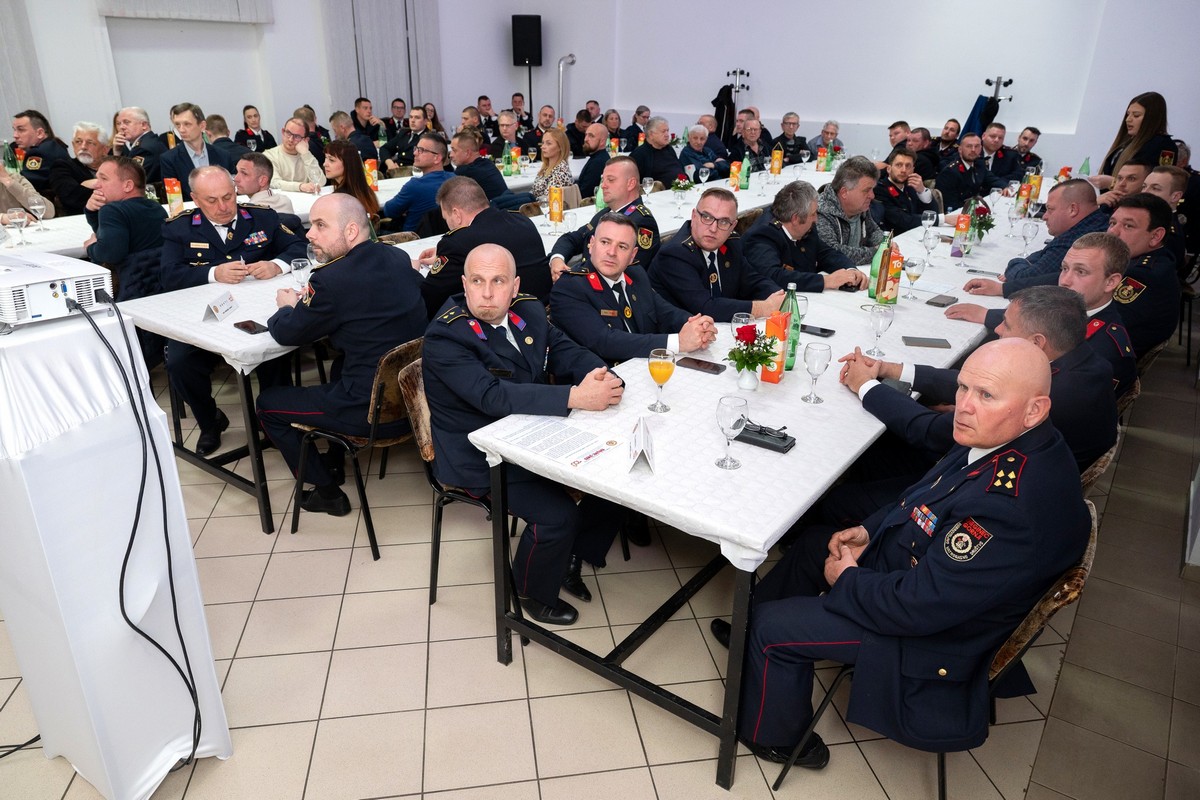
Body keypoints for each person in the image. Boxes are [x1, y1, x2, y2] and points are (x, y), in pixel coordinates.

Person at [717, 337, 1090, 766]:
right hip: (930, 583)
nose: (964, 405)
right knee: (815, 543)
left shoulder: (1007, 507)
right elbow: (921, 496)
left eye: (986, 395)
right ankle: (746, 636)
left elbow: (917, 608)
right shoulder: (1009, 437)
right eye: (963, 387)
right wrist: (868, 530)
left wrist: (849, 579)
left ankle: (777, 739)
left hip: (935, 635)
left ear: (1034, 410)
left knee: (773, 628)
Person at [422, 242, 625, 626]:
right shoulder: (446, 336)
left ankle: (570, 556)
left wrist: (602, 376)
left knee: (615, 478)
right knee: (557, 516)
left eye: (498, 281)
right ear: (464, 285)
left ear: (515, 287)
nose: (486, 293)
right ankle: (532, 593)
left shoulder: (528, 310)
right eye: (477, 281)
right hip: (478, 455)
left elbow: (563, 349)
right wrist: (576, 397)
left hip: (531, 433)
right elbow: (492, 396)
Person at [256, 194, 427, 516]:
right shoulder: (396, 257)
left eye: (320, 225)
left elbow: (287, 333)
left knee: (267, 404)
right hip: (415, 402)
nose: (309, 234)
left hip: (369, 414)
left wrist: (286, 307)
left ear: (350, 231)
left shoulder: (330, 280)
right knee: (340, 364)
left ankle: (326, 490)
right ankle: (335, 460)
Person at [843, 286, 1117, 482]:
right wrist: (890, 369)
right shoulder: (1080, 359)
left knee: (859, 465)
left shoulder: (1054, 396)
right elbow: (969, 382)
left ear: (1036, 342)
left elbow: (929, 431)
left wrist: (865, 386)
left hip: (972, 480)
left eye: (1007, 325)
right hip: (1013, 468)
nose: (997, 329)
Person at [160, 166, 307, 455]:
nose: (223, 206)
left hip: (259, 309)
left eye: (228, 197)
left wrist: (276, 265)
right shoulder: (179, 228)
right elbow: (168, 275)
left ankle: (274, 419)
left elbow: (300, 247)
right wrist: (213, 273)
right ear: (195, 199)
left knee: (276, 347)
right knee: (179, 362)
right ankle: (209, 420)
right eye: (212, 200)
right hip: (204, 315)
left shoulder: (262, 217)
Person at [948, 233, 1138, 399]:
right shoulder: (1069, 310)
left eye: (1081, 272)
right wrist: (986, 314)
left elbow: (1047, 404)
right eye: (1064, 268)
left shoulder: (1105, 348)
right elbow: (1035, 319)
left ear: (1110, 282)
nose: (1065, 281)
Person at [551, 213, 716, 364]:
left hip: (643, 366)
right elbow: (605, 342)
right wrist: (678, 342)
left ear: (632, 255)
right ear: (591, 244)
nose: (611, 252)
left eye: (622, 246)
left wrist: (696, 325)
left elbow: (665, 312)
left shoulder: (635, 274)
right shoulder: (569, 288)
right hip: (603, 378)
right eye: (605, 242)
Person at [415, 176, 551, 316]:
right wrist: (444, 256)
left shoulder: (457, 243)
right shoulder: (522, 221)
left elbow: (429, 298)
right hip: (542, 313)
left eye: (446, 218)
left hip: (498, 320)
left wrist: (413, 271)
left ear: (456, 214)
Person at [954, 180, 1109, 299]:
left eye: (1050, 209)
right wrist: (1028, 262)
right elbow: (1043, 253)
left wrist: (1016, 262)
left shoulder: (1079, 239)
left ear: (1073, 209)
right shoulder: (1093, 222)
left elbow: (1025, 277)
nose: (1045, 216)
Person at [650, 187, 784, 322]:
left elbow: (753, 281)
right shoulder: (674, 254)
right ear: (694, 216)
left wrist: (780, 297)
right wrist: (764, 308)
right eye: (707, 217)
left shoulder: (731, 243)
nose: (713, 229)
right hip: (681, 331)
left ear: (733, 226)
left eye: (724, 222)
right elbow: (706, 308)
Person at [742, 181, 867, 292]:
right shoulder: (762, 236)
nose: (816, 219)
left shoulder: (805, 228)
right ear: (795, 218)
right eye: (813, 214)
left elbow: (825, 253)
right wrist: (826, 281)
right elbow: (774, 276)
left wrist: (850, 270)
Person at [549, 156, 659, 279]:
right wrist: (557, 259)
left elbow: (622, 275)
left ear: (630, 184)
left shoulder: (642, 222)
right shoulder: (607, 213)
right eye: (603, 180)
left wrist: (572, 279)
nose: (603, 186)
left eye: (610, 180)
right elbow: (574, 238)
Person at [1104, 193, 1181, 356]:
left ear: (1155, 236)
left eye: (1128, 226)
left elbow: (1102, 321)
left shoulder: (1142, 275)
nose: (1113, 232)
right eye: (1112, 223)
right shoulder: (1153, 260)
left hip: (1106, 360)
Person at [81, 156, 165, 273]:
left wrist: (90, 247)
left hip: (129, 280)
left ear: (128, 186)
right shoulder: (156, 207)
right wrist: (91, 211)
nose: (96, 185)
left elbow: (110, 253)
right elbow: (108, 235)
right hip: (160, 278)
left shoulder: (113, 210)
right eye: (97, 178)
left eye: (104, 179)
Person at [815, 156, 886, 264]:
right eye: (866, 190)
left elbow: (873, 231)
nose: (872, 196)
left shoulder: (860, 208)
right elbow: (833, 253)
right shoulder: (821, 214)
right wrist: (877, 252)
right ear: (844, 192)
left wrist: (885, 243)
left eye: (872, 190)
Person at [1096, 92, 1177, 186]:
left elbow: (1157, 185)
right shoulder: (1127, 143)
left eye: (1136, 115)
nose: (1128, 119)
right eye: (1128, 114)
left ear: (1151, 118)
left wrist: (1113, 183)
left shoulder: (1162, 144)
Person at [160, 103, 235, 200]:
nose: (181, 130)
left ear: (202, 126)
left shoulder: (223, 155)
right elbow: (174, 199)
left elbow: (233, 190)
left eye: (187, 124)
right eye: (178, 125)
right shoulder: (169, 159)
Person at [382, 133, 451, 232]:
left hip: (411, 238)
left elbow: (389, 211)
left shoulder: (415, 186)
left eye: (421, 150)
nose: (415, 153)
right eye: (416, 149)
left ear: (437, 158)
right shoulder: (455, 180)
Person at [934, 133, 1008, 211]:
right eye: (969, 146)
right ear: (960, 149)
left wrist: (1005, 187)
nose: (973, 150)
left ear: (981, 148)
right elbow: (950, 206)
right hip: (958, 213)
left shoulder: (979, 164)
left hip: (973, 208)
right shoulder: (950, 172)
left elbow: (992, 179)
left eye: (977, 146)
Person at [873, 148, 938, 233]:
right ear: (889, 169)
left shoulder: (911, 187)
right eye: (899, 165)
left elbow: (933, 212)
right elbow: (903, 220)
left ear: (913, 170)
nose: (903, 170)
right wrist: (941, 219)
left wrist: (922, 191)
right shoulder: (879, 189)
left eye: (908, 166)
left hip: (915, 234)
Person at [50, 122, 109, 215]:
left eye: (90, 143)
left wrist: (88, 185)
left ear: (105, 149)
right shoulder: (62, 167)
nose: (83, 147)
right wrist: (106, 186)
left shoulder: (114, 167)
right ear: (73, 145)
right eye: (78, 142)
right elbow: (72, 197)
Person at [10, 109, 70, 197]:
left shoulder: (39, 152)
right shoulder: (55, 145)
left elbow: (23, 184)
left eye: (21, 130)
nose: (15, 135)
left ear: (40, 133)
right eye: (14, 130)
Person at [1141, 165, 1189, 271]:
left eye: (1155, 188)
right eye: (1144, 186)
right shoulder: (1147, 219)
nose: (1145, 192)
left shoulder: (1169, 235)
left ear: (1175, 196)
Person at [323, 139, 380, 222]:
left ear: (347, 164)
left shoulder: (340, 198)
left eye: (331, 160)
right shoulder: (364, 189)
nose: (325, 164)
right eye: (325, 158)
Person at [264, 117, 325, 193]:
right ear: (283, 132)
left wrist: (306, 154)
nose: (290, 139)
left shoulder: (306, 156)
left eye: (297, 136)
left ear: (306, 140)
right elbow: (274, 182)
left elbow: (320, 182)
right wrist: (300, 186)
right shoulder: (269, 155)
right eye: (288, 133)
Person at [112, 106, 168, 182]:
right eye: (119, 123)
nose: (121, 127)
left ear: (144, 125)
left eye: (127, 122)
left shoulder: (144, 149)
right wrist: (117, 152)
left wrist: (116, 155)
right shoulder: (148, 142)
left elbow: (128, 180)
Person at [450, 128, 507, 201]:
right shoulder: (488, 163)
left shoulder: (464, 172)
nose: (451, 155)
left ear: (467, 153)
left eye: (454, 150)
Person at [631, 116, 684, 188]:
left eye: (667, 131)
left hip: (681, 189)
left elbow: (679, 168)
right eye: (663, 131)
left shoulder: (669, 149)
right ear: (651, 134)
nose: (667, 135)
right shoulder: (639, 154)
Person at [531, 127, 574, 202]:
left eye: (548, 143)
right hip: (536, 203)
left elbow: (548, 200)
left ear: (560, 147)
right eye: (543, 143)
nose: (542, 147)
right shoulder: (546, 167)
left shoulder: (561, 171)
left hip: (544, 207)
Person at [576, 123, 611, 197]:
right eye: (586, 135)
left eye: (591, 136)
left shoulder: (598, 163)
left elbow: (584, 194)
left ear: (602, 141)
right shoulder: (598, 157)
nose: (586, 139)